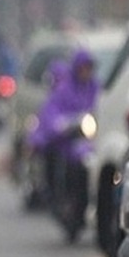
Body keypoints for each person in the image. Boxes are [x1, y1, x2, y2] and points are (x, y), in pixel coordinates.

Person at [27, 48, 100, 202]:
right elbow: (51, 112)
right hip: (65, 138)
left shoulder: (95, 88)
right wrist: (62, 124)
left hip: (89, 138)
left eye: (89, 68)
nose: (86, 72)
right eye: (83, 68)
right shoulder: (64, 90)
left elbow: (101, 107)